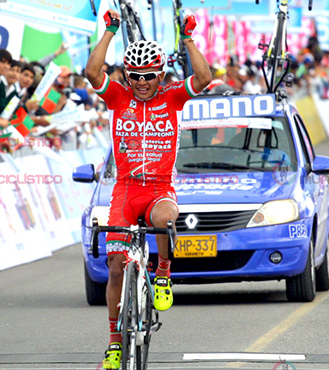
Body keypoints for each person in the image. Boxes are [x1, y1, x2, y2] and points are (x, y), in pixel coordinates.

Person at [85, 9, 211, 370]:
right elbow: (93, 73)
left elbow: (203, 77)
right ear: (127, 75)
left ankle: (164, 273)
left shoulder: (171, 98)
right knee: (114, 267)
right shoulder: (118, 98)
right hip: (125, 190)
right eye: (135, 76)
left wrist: (187, 38)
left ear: (160, 75)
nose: (141, 82)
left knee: (165, 218)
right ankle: (113, 343)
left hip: (158, 188)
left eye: (149, 76)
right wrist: (109, 30)